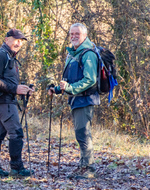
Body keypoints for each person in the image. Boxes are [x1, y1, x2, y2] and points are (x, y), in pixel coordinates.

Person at [48, 23, 100, 179]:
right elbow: (69, 81)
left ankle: (89, 169)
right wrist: (57, 89)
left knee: (83, 133)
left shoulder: (87, 53)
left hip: (85, 99)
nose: (74, 36)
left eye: (77, 34)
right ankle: (83, 166)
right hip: (76, 99)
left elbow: (89, 80)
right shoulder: (73, 53)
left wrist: (70, 88)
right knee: (80, 133)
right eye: (71, 34)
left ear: (84, 35)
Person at [0, 29, 34, 178]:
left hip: (6, 100)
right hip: (3, 101)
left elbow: (7, 79)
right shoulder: (0, 55)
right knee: (16, 133)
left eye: (21, 41)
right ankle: (16, 169)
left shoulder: (10, 56)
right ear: (7, 39)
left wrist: (23, 89)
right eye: (16, 39)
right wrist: (15, 89)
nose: (19, 43)